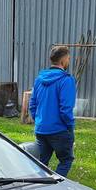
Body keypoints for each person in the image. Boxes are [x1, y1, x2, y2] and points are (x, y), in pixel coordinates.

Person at [29, 45, 76, 177]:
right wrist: (70, 127)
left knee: (41, 163)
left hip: (41, 129)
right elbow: (66, 109)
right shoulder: (66, 80)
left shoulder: (39, 80)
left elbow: (32, 105)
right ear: (64, 60)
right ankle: (56, 188)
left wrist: (38, 120)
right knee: (66, 160)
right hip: (60, 130)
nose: (69, 61)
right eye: (69, 58)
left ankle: (39, 188)